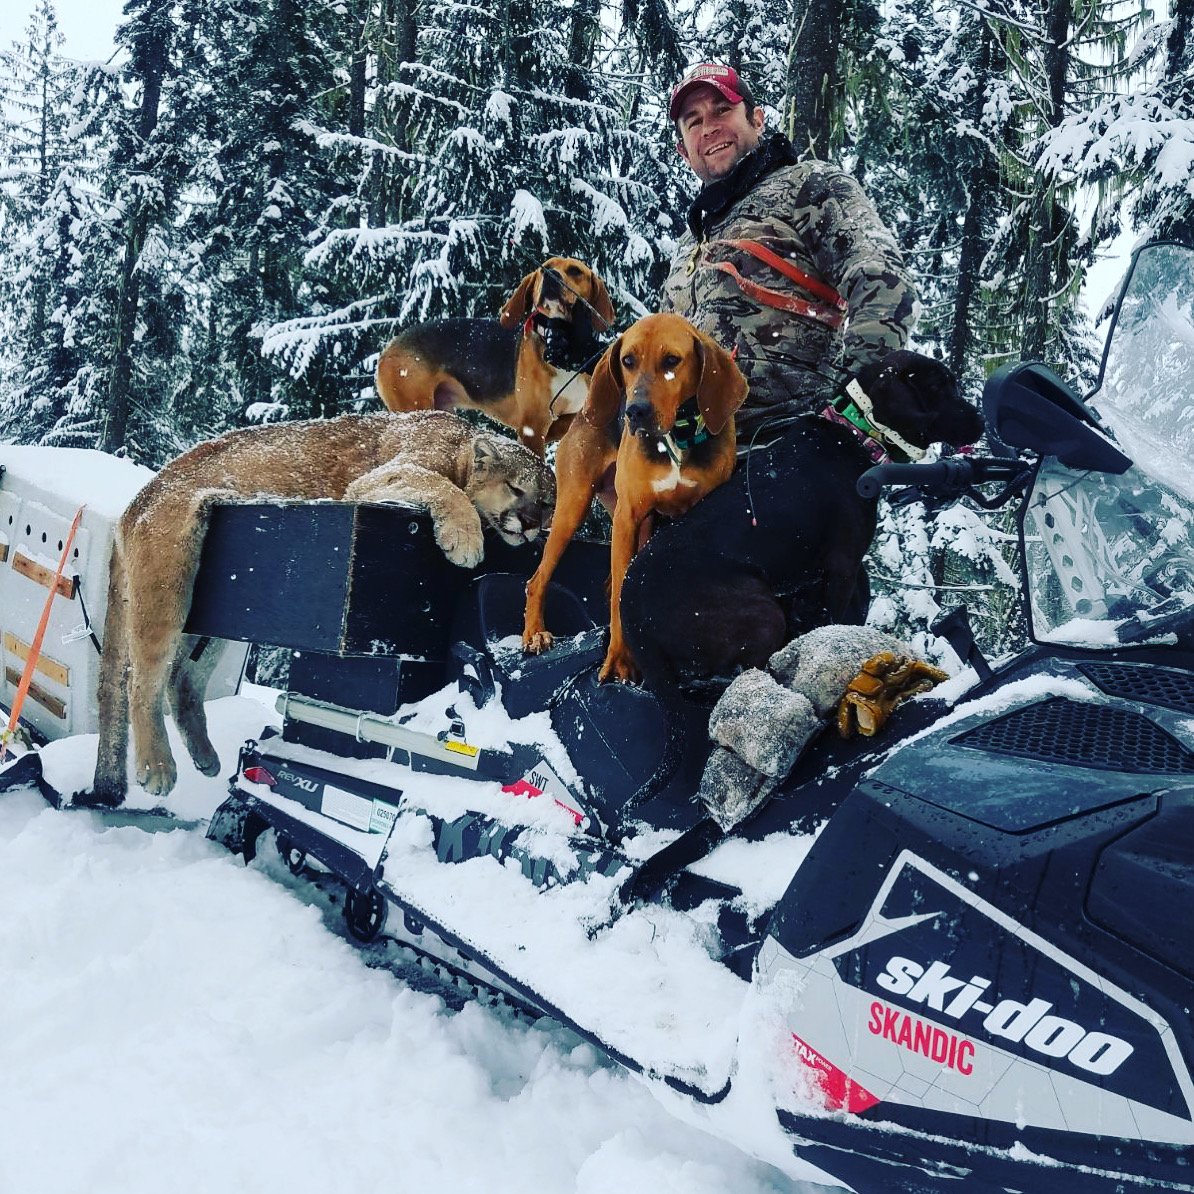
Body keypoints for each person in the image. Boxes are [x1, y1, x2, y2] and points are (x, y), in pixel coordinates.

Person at [617, 62, 968, 696]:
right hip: (697, 479)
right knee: (696, 675)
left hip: (786, 467)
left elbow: (880, 281)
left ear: (757, 118)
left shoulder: (809, 188)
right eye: (692, 122)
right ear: (683, 147)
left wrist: (859, 409)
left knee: (802, 666)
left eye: (721, 112)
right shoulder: (690, 249)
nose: (708, 129)